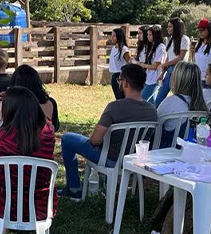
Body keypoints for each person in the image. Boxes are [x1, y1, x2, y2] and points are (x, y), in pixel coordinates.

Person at [59, 64, 157, 200]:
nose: (119, 83)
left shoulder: (115, 107)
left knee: (67, 138)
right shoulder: (152, 111)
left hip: (110, 159)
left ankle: (74, 188)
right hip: (133, 160)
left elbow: (95, 141)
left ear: (125, 83)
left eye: (119, 80)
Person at [0, 86, 58, 221]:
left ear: (8, 109)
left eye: (2, 105)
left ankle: (2, 228)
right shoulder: (48, 133)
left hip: (3, 205)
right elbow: (46, 121)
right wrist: (22, 99)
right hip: (40, 206)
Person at [156, 62, 207, 148]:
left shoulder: (170, 102)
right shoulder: (203, 102)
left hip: (168, 150)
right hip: (193, 149)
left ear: (176, 79)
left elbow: (155, 124)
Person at [7, 64, 59, 130]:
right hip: (45, 136)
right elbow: (55, 127)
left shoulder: (15, 106)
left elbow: (7, 127)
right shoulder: (51, 103)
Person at [154, 18, 189, 107]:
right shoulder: (169, 39)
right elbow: (168, 57)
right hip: (170, 70)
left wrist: (166, 64)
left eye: (170, 27)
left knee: (179, 97)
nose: (167, 28)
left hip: (180, 71)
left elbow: (181, 58)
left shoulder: (184, 39)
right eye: (168, 26)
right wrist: (162, 73)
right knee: (160, 97)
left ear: (176, 27)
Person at [139, 24, 166, 103]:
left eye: (150, 35)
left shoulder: (161, 47)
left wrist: (141, 64)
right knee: (149, 101)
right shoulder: (152, 46)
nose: (148, 37)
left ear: (156, 35)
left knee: (144, 99)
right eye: (147, 35)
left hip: (155, 79)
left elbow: (155, 66)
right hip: (149, 78)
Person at [108, 28, 131, 100]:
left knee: (122, 98)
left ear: (119, 36)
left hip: (121, 76)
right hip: (114, 76)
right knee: (117, 98)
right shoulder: (113, 48)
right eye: (112, 35)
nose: (112, 38)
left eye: (114, 36)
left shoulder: (124, 49)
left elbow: (129, 63)